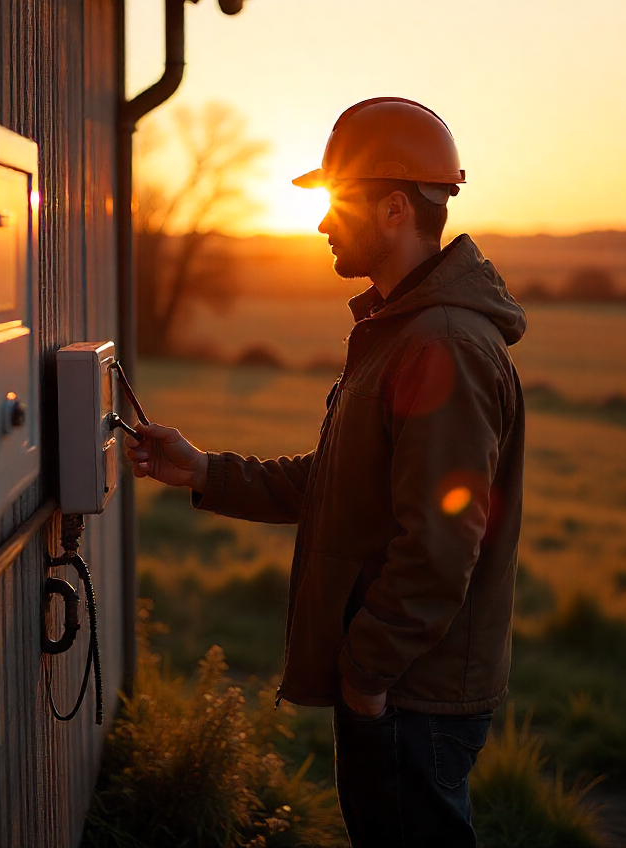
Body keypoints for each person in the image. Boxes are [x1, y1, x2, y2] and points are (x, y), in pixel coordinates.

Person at [125, 97, 527, 847]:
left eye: (337, 203)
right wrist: (204, 470)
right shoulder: (398, 330)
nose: (320, 223)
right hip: (395, 680)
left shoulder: (440, 345)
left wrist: (367, 677)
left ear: (394, 209)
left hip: (412, 690)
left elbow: (441, 546)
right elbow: (340, 482)